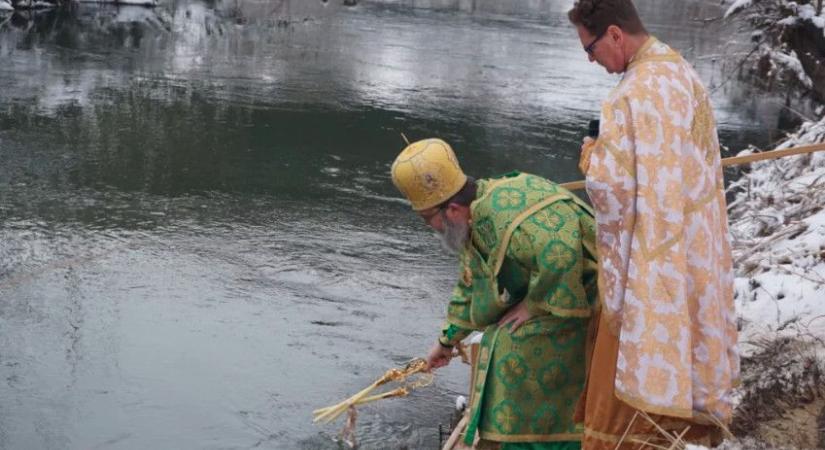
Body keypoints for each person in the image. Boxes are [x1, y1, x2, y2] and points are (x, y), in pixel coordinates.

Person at [567, 1, 740, 448]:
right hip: (693, 248)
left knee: (623, 386)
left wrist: (591, 155)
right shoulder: (681, 72)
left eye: (590, 49)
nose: (591, 60)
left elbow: (611, 189)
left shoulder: (630, 94)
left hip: (650, 262)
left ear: (614, 35)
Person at [390, 138, 598, 450]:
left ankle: (536, 442)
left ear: (454, 209)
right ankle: (502, 437)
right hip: (561, 289)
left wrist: (533, 304)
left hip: (590, 298)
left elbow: (562, 255)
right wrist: (446, 341)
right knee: (497, 339)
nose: (430, 227)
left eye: (428, 218)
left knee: (508, 345)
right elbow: (472, 283)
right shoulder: (478, 210)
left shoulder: (502, 214)